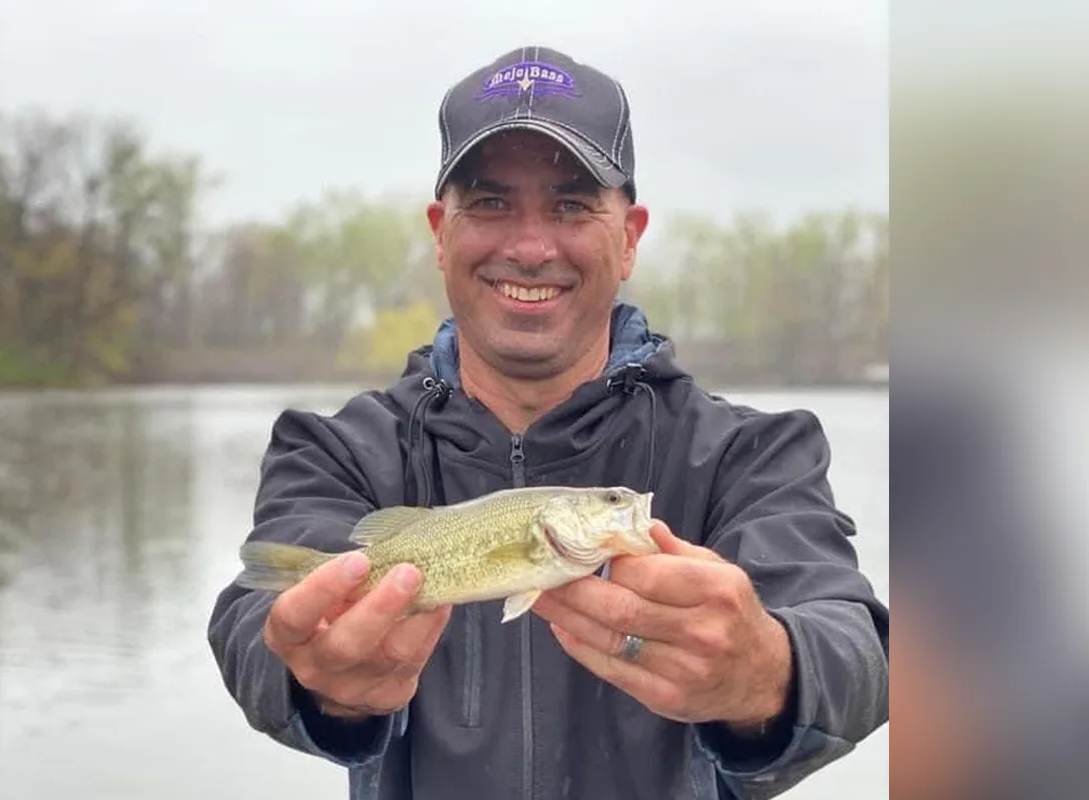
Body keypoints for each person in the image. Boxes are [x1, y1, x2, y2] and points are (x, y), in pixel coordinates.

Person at [208, 45, 890, 800]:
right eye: (491, 203)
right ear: (441, 232)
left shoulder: (753, 454)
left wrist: (770, 670)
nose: (530, 248)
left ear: (629, 236)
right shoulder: (336, 450)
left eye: (571, 205)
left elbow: (859, 651)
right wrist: (317, 674)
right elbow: (251, 619)